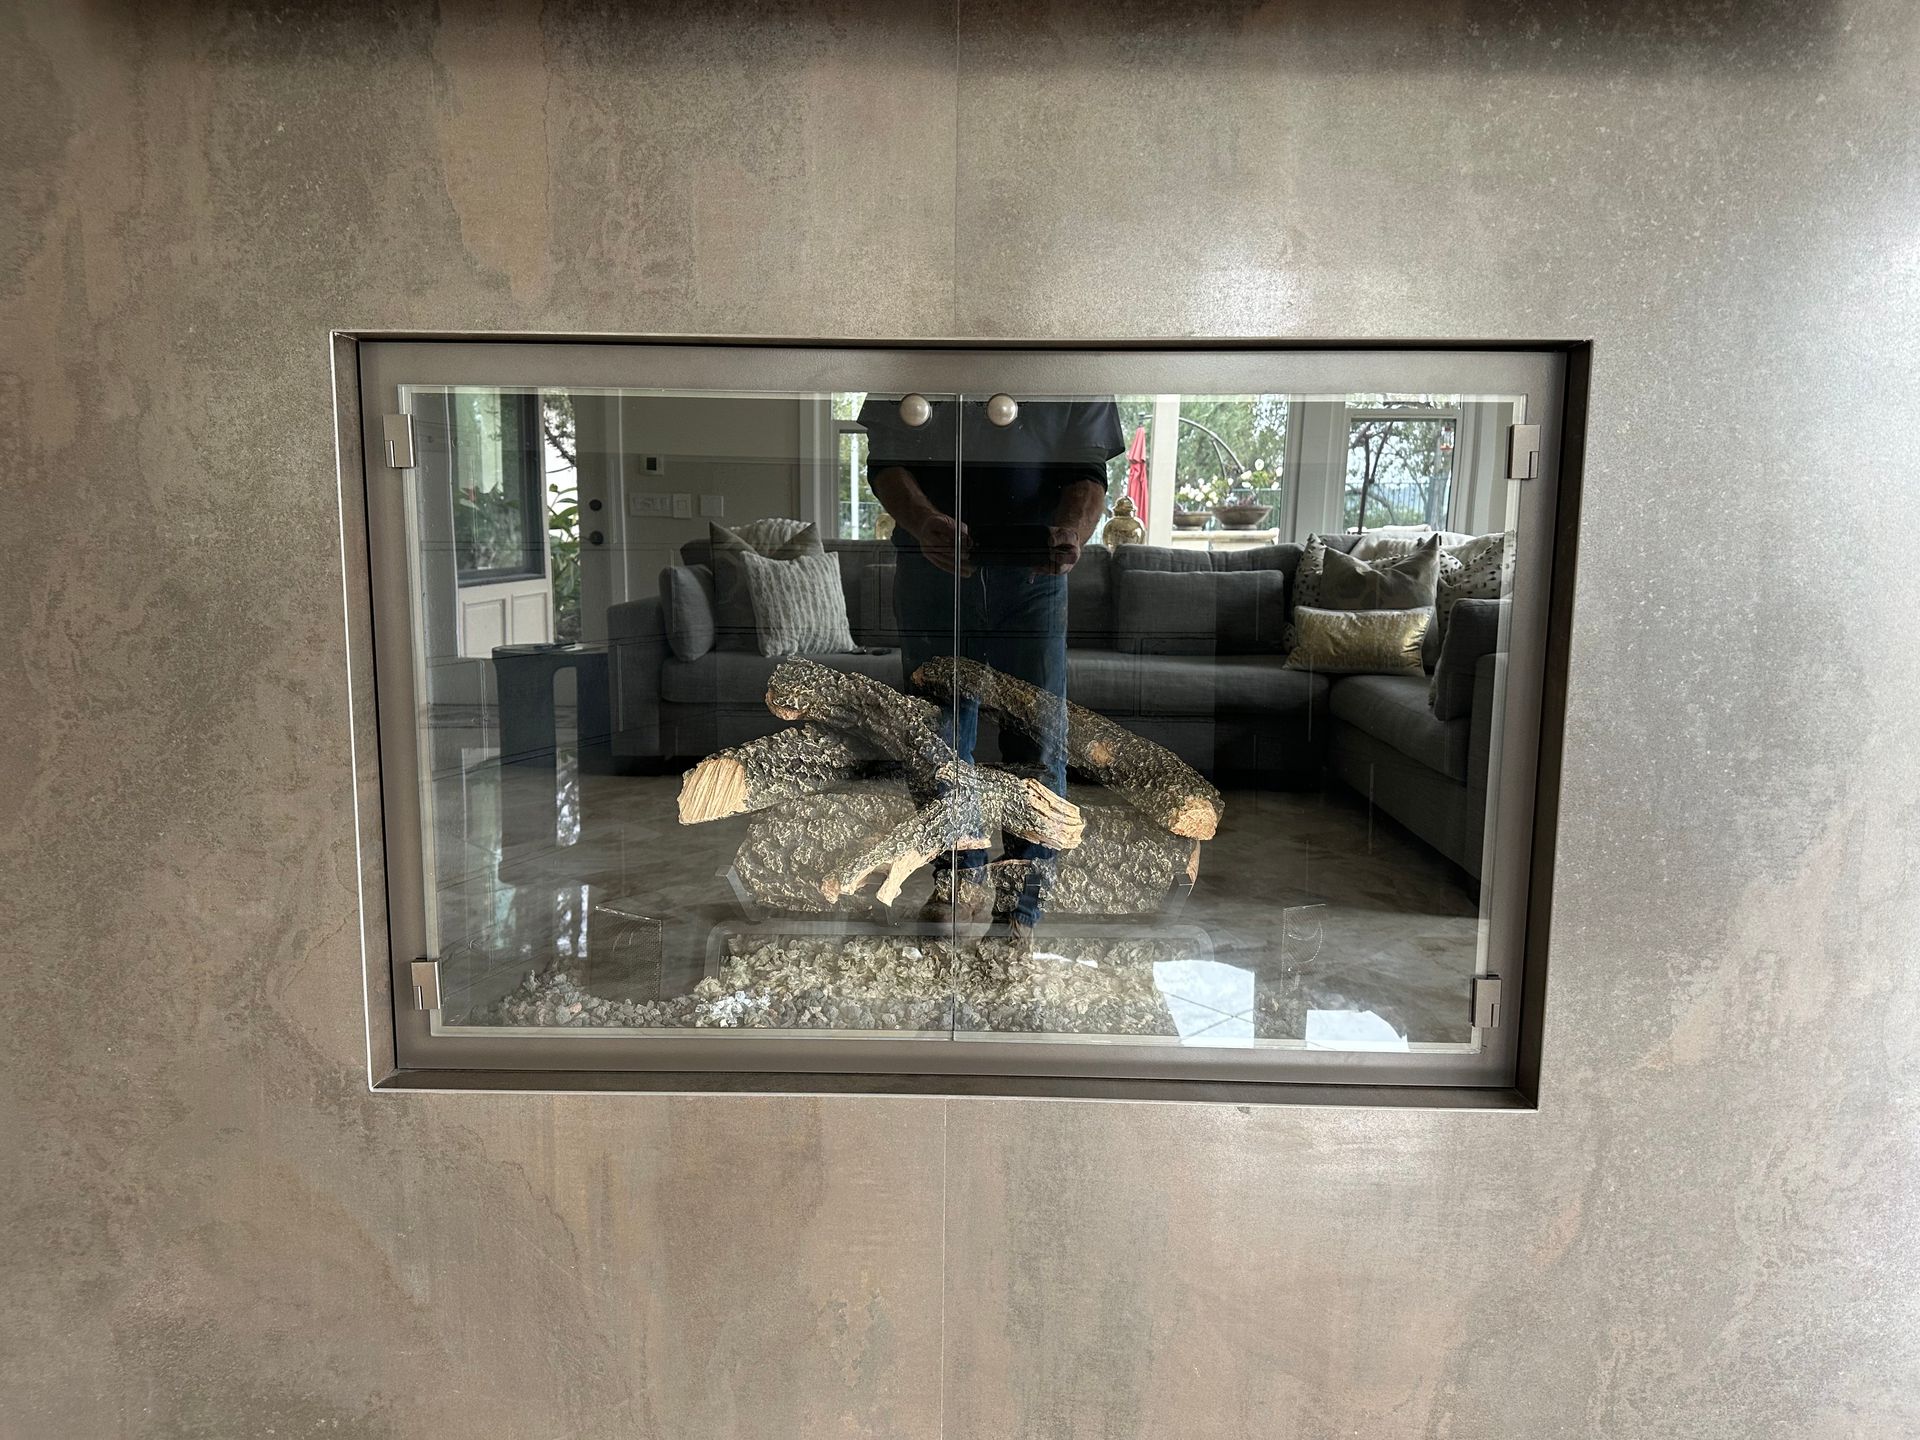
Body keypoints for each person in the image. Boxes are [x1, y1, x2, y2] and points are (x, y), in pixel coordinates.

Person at [858, 392, 1125, 940]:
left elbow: (1088, 471)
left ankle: (1021, 908)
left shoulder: (1074, 362)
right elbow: (885, 461)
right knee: (938, 736)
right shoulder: (912, 352)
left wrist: (1072, 530)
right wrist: (924, 522)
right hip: (932, 567)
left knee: (1038, 739)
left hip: (1035, 572)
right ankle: (959, 882)